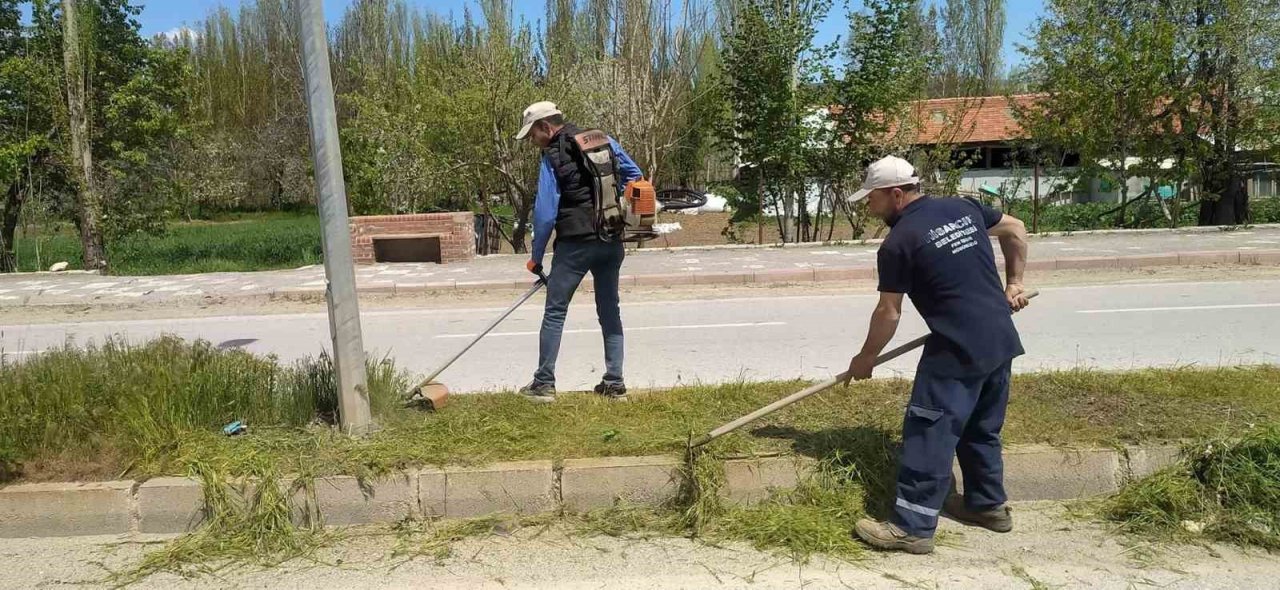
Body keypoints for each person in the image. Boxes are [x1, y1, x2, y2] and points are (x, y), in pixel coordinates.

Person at [842, 155, 1031, 554]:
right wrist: (1014, 283)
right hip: (999, 337)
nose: (868, 206)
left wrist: (865, 358)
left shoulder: (898, 243)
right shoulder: (962, 206)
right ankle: (987, 506)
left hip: (957, 347)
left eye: (872, 198)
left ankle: (911, 527)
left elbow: (888, 311)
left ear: (895, 194)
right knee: (981, 428)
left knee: (929, 432)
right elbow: (1015, 228)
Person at [513, 101, 643, 402]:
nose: (533, 142)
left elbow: (545, 214)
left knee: (555, 311)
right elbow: (635, 175)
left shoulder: (552, 156)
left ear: (546, 127)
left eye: (533, 135)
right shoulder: (602, 140)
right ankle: (615, 383)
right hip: (610, 238)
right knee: (609, 310)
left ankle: (543, 384)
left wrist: (536, 255)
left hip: (575, 244)